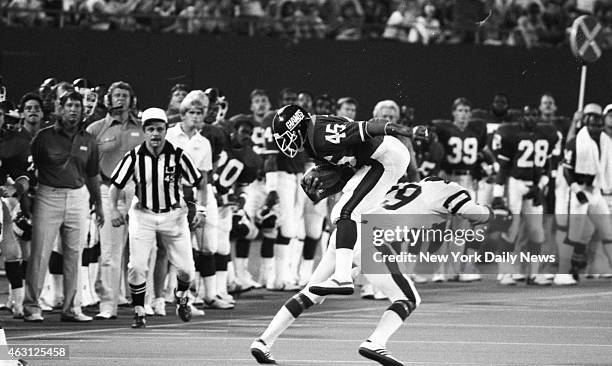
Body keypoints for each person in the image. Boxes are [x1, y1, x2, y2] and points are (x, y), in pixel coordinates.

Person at [250, 172, 494, 366]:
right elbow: (473, 212)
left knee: (310, 293)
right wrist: (488, 211)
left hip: (346, 234)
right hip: (372, 238)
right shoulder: (447, 190)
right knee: (408, 298)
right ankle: (375, 342)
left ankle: (263, 341)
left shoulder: (404, 188)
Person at [271, 104, 416, 296]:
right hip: (373, 161)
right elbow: (345, 173)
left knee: (345, 212)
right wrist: (319, 191)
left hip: (386, 157)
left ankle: (343, 277)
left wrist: (408, 131)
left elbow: (370, 127)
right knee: (346, 215)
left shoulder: (320, 135)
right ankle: (352, 273)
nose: (286, 143)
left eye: (287, 135)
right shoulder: (311, 141)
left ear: (297, 126)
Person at [109, 107, 205, 328]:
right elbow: (116, 186)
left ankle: (181, 296)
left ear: (165, 130)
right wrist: (114, 209)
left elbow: (198, 183)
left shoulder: (178, 155)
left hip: (174, 215)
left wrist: (200, 209)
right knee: (137, 265)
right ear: (144, 131)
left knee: (187, 270)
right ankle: (139, 311)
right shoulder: (134, 156)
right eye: (150, 129)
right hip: (143, 214)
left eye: (159, 129)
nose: (155, 134)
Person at [23, 91, 104, 323]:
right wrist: (27, 199)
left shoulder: (88, 139)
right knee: (40, 253)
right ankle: (31, 307)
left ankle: (72, 308)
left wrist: (98, 204)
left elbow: (92, 175)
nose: (74, 110)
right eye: (69, 105)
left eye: (78, 106)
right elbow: (29, 170)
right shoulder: (43, 137)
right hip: (48, 195)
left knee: (74, 256)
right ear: (60, 107)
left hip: (78, 196)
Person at [85, 81, 144, 320]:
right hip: (109, 190)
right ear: (108, 99)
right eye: (116, 95)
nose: (120, 99)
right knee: (109, 252)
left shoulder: (142, 128)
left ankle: (143, 303)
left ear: (132, 100)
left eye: (125, 95)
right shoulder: (95, 129)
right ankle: (108, 305)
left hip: (139, 192)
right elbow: (88, 164)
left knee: (142, 251)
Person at [491, 106, 560, 285]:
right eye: (527, 114)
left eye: (533, 115)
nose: (530, 118)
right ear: (522, 116)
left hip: (533, 186)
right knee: (510, 229)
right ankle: (505, 272)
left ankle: (534, 273)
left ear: (537, 117)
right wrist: (498, 194)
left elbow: (547, 167)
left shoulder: (546, 135)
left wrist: (541, 186)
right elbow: (504, 167)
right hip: (515, 183)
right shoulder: (511, 134)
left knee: (537, 231)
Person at [558, 103, 612, 285]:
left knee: (607, 231)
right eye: (591, 125)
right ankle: (562, 272)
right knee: (574, 234)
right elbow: (567, 170)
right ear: (585, 125)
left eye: (598, 125)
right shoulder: (576, 142)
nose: (595, 128)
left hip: (596, 190)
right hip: (580, 190)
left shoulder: (605, 141)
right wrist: (575, 190)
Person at [0, 99, 32, 319]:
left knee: (13, 252)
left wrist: (16, 188)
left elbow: (23, 175)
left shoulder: (10, 142)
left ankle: (18, 303)